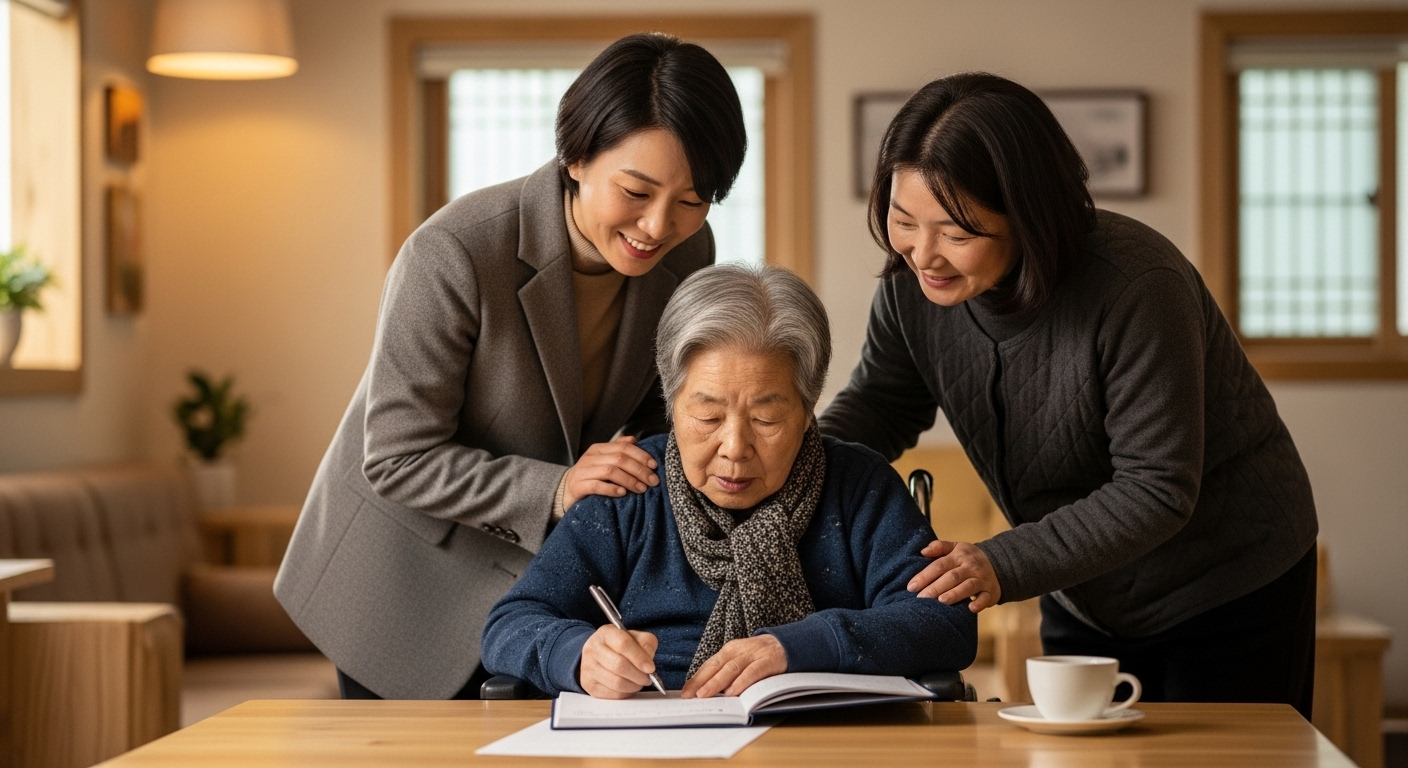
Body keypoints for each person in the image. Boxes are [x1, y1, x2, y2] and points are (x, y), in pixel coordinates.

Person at [820, 73, 1319, 717]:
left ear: (1029, 216)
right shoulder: (911, 287)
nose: (924, 255)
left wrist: (998, 562)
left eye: (957, 233)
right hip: (1081, 582)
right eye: (902, 219)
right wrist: (798, 462)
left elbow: (1157, 486)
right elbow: (885, 402)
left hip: (1227, 581)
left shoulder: (1137, 285)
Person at [273, 33, 748, 700]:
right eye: (636, 191)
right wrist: (557, 490)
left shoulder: (689, 253)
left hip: (540, 591)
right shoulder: (454, 253)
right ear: (577, 155)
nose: (658, 225)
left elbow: (651, 413)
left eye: (693, 199)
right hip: (404, 581)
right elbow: (396, 458)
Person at [482, 264, 977, 698]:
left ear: (808, 412)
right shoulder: (633, 486)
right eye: (708, 415)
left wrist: (798, 645)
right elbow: (510, 624)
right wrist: (579, 654)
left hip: (823, 745)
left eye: (765, 421)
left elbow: (944, 622)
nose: (735, 447)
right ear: (672, 407)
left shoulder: (858, 485)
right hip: (652, 745)